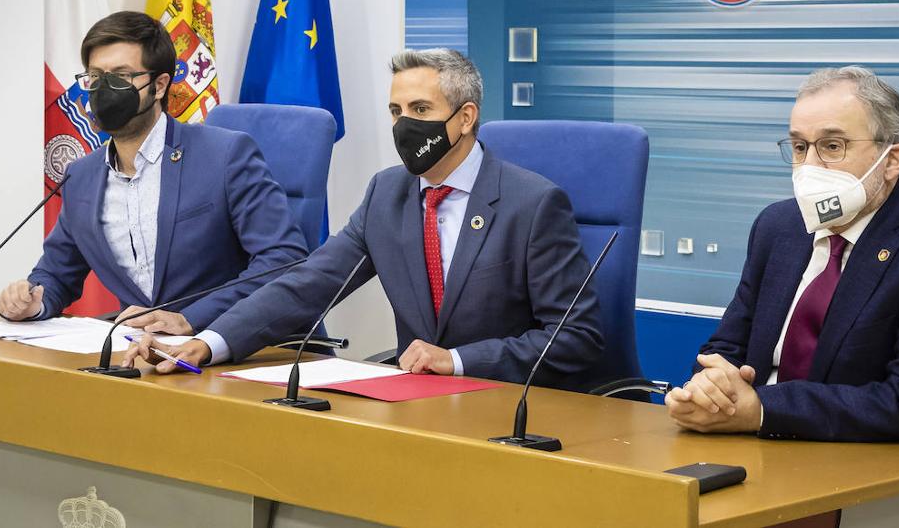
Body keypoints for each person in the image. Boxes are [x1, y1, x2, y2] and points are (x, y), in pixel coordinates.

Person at [125, 48, 604, 389]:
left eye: (420, 109)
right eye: (395, 110)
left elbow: (576, 337)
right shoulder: (387, 193)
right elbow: (307, 285)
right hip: (417, 406)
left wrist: (457, 360)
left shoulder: (533, 204)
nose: (403, 124)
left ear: (465, 117)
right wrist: (209, 344)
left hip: (513, 405)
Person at [666, 66, 899, 528]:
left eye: (833, 146)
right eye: (800, 147)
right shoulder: (778, 227)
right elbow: (726, 348)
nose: (810, 167)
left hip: (876, 481)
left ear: (894, 159)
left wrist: (761, 410)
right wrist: (707, 391)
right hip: (753, 460)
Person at [0, 11, 307, 334]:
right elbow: (56, 275)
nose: (105, 90)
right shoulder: (81, 179)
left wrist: (192, 319)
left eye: (120, 77)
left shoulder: (225, 156)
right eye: (96, 78)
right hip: (142, 358)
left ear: (159, 86)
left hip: (232, 349)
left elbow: (284, 260)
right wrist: (33, 301)